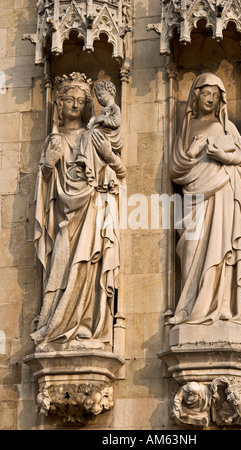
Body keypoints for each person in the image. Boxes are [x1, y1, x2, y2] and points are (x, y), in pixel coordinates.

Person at [31, 72, 126, 350]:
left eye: (81, 100)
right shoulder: (56, 139)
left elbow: (118, 172)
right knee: (60, 262)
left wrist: (108, 156)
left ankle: (88, 325)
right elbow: (45, 186)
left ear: (87, 106)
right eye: (69, 99)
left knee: (90, 265)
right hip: (64, 216)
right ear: (59, 104)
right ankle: (53, 323)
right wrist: (48, 165)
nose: (74, 104)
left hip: (93, 209)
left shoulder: (93, 136)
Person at [169, 73, 241, 329]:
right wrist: (192, 153)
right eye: (206, 93)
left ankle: (222, 305)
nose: (211, 99)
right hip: (194, 198)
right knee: (192, 250)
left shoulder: (228, 128)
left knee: (221, 248)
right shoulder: (187, 127)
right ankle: (188, 308)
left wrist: (225, 158)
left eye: (216, 96)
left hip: (223, 195)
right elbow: (174, 170)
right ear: (196, 95)